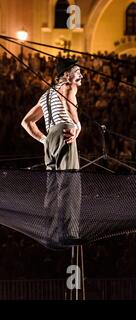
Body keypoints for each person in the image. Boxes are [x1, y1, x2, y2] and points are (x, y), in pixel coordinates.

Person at [21, 58, 84, 246]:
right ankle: (69, 234)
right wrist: (76, 127)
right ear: (66, 75)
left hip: (50, 139)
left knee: (52, 188)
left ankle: (49, 233)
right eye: (77, 71)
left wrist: (44, 140)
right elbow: (71, 114)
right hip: (64, 132)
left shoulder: (46, 95)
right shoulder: (69, 86)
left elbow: (26, 122)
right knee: (70, 183)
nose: (81, 75)